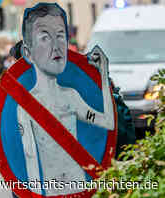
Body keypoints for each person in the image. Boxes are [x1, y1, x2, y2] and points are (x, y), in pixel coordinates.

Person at [18, 3, 114, 196]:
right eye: (45, 37)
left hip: (81, 189)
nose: (56, 47)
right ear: (28, 53)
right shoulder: (26, 106)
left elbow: (108, 123)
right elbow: (31, 162)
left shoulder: (70, 96)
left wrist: (103, 75)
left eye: (60, 36)